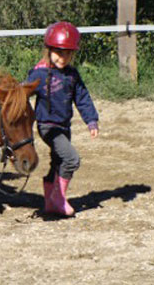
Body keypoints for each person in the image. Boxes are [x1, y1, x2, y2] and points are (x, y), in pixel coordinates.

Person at [26, 21, 99, 217]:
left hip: (64, 126)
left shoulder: (72, 75)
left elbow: (82, 97)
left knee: (58, 162)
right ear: (49, 50)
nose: (63, 57)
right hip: (48, 127)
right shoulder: (39, 74)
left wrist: (91, 120)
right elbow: (22, 92)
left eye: (68, 53)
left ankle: (50, 203)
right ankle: (58, 198)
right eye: (59, 52)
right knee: (71, 159)